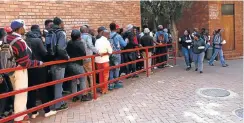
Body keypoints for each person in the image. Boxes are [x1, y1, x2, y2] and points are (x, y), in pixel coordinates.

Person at [4, 19, 43, 123]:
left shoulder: (6, 38)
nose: (25, 28)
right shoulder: (19, 42)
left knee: (16, 92)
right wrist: (38, 63)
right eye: (24, 26)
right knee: (20, 94)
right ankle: (19, 119)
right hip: (19, 70)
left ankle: (23, 113)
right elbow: (25, 63)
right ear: (20, 28)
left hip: (9, 69)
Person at [25, 25, 57, 118]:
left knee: (31, 90)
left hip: (29, 68)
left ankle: (34, 112)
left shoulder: (25, 40)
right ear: (38, 31)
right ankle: (47, 111)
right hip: (39, 68)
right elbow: (44, 53)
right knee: (43, 89)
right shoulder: (38, 40)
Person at [49, 17, 69, 112]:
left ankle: (59, 101)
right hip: (59, 61)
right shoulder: (61, 33)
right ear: (61, 23)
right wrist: (67, 57)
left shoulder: (50, 31)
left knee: (56, 83)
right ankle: (58, 105)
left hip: (51, 60)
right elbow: (61, 48)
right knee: (58, 83)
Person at [66, 30, 88, 102]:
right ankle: (84, 96)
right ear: (79, 36)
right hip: (77, 64)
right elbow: (83, 53)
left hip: (70, 64)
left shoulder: (69, 42)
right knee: (82, 78)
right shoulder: (80, 43)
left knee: (73, 80)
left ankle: (74, 96)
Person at [80, 25, 98, 100]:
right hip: (88, 58)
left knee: (84, 76)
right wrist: (97, 52)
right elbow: (90, 45)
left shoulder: (79, 37)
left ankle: (85, 92)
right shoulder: (88, 37)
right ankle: (93, 92)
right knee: (91, 75)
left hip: (81, 59)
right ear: (86, 30)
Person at [108, 23, 127, 90]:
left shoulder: (108, 35)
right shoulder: (118, 36)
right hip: (116, 54)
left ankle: (110, 84)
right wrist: (126, 41)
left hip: (110, 54)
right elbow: (124, 44)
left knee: (111, 69)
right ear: (116, 28)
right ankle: (116, 83)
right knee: (116, 68)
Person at [95, 30, 112, 94]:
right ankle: (105, 89)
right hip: (105, 60)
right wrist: (107, 52)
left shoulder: (97, 40)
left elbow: (96, 50)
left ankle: (101, 88)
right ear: (107, 35)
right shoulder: (107, 41)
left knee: (100, 74)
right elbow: (110, 51)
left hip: (98, 61)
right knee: (105, 75)